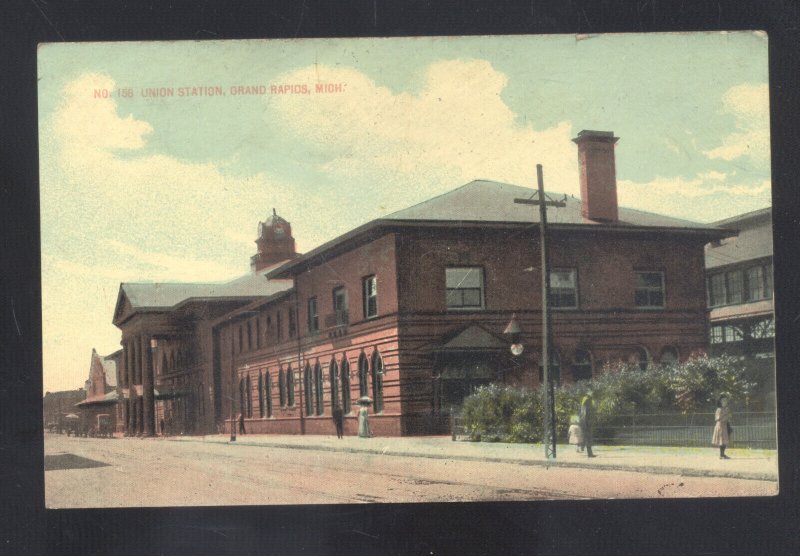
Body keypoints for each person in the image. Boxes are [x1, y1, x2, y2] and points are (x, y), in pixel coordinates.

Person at [712, 394, 732, 459]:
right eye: (723, 401)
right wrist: (725, 417)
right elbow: (717, 419)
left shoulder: (726, 409)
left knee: (725, 441)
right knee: (721, 441)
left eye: (726, 401)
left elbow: (729, 416)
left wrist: (727, 417)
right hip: (720, 426)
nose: (725, 402)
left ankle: (723, 454)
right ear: (720, 402)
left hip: (725, 426)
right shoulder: (719, 409)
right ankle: (721, 455)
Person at [579, 392, 596, 457]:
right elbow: (585, 413)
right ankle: (589, 453)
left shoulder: (586, 401)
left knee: (587, 437)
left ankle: (585, 449)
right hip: (586, 422)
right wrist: (587, 422)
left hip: (586, 422)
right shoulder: (587, 400)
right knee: (588, 437)